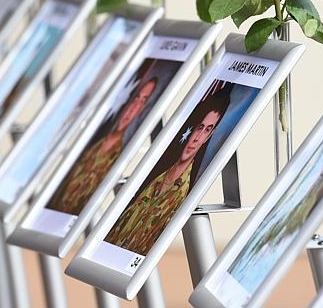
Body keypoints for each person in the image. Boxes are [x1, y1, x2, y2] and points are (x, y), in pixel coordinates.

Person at [105, 83, 232, 256]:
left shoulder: (183, 192)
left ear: (210, 136)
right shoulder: (156, 178)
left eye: (207, 130)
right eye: (199, 128)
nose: (196, 138)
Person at [47, 77, 158, 215]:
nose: (135, 106)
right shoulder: (94, 140)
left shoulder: (120, 153)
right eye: (136, 98)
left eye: (143, 101)